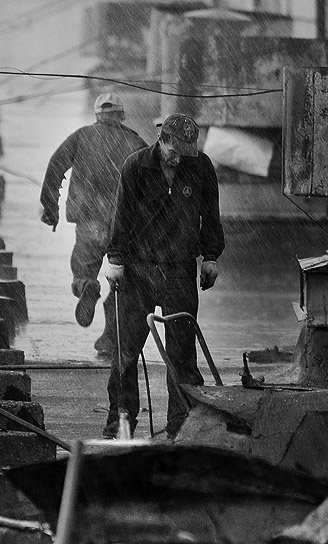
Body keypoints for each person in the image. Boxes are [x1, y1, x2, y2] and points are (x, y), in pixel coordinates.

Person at [103, 112, 225, 441]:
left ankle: (182, 426)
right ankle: (121, 423)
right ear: (163, 141)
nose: (180, 158)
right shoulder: (135, 166)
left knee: (182, 355)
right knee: (125, 352)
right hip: (139, 269)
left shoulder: (200, 167)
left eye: (188, 152)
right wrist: (115, 258)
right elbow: (122, 215)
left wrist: (211, 256)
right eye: (176, 151)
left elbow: (210, 214)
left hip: (180, 269)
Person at [39, 92, 147, 355]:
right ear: (121, 115)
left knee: (83, 271)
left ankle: (87, 286)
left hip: (89, 221)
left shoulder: (82, 136)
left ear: (97, 115)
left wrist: (50, 208)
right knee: (123, 285)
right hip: (124, 227)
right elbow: (151, 183)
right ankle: (111, 339)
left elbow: (56, 166)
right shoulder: (136, 143)